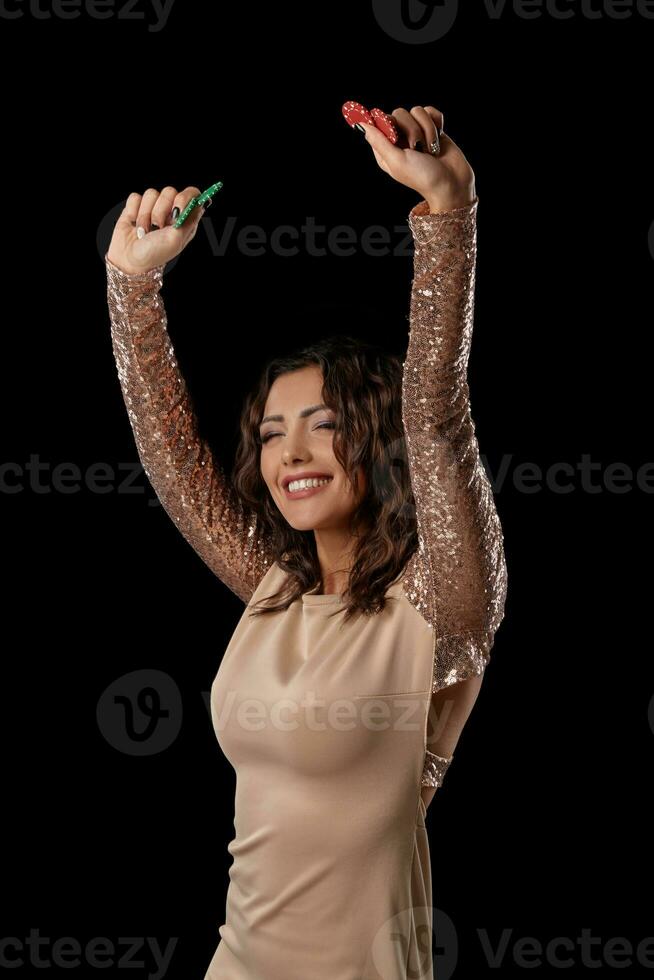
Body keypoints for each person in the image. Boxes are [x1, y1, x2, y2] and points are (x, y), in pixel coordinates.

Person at [104, 104, 508, 980]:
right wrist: (132, 285)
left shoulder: (441, 605)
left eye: (323, 426)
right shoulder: (274, 591)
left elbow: (436, 419)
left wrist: (448, 212)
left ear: (371, 438)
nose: (289, 453)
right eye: (272, 431)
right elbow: (173, 464)